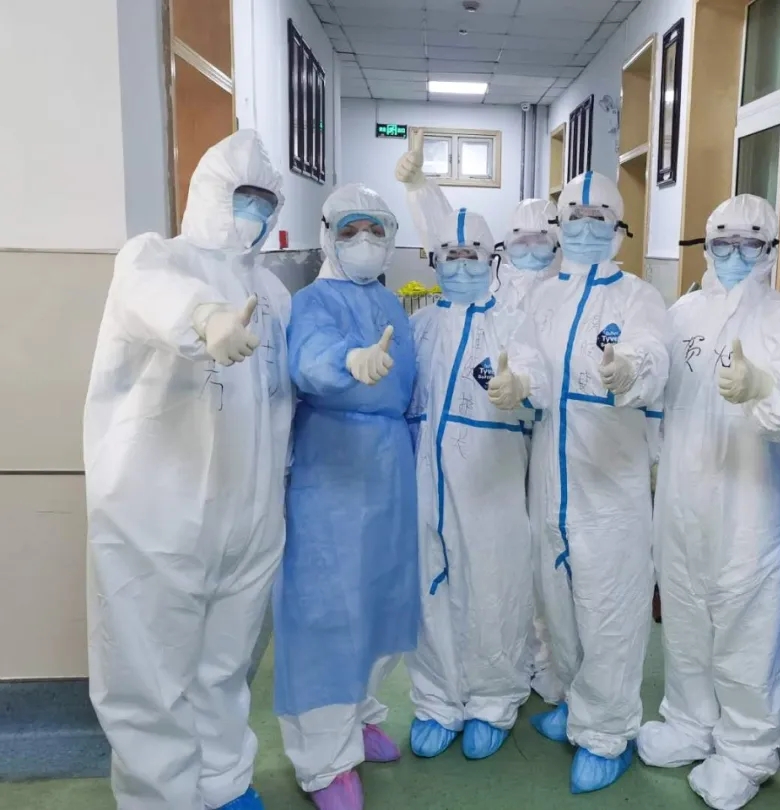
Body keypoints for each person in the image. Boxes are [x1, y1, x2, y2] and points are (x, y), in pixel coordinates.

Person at [85, 130, 292, 810]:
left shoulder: (273, 292)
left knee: (225, 665)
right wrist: (205, 317)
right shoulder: (155, 256)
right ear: (208, 191)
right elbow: (157, 296)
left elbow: (280, 400)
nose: (252, 210)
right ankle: (159, 798)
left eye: (264, 199)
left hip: (249, 516)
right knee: (150, 671)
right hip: (158, 513)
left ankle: (224, 782)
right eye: (240, 195)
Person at [639, 195, 780, 809]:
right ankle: (689, 722)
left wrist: (762, 385)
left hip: (748, 507)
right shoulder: (682, 314)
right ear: (706, 244)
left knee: (749, 630)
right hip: (681, 499)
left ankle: (746, 750)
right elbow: (655, 388)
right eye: (722, 242)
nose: (734, 254)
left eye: (750, 243)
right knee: (686, 619)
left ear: (770, 249)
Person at [488, 170, 670, 793]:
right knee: (557, 602)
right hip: (550, 476)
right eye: (576, 217)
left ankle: (606, 731)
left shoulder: (638, 297)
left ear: (618, 227)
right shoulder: (544, 297)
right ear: (560, 225)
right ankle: (573, 700)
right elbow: (527, 357)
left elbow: (653, 351)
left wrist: (630, 371)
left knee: (609, 606)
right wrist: (518, 383)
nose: (587, 228)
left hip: (609, 481)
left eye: (599, 218)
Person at [395, 149, 563, 704]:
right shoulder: (421, 325)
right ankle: (436, 698)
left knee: (494, 585)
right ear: (435, 261)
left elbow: (537, 374)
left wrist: (523, 387)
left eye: (473, 256)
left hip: (491, 483)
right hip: (426, 483)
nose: (462, 266)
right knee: (431, 587)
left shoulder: (512, 322)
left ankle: (493, 699)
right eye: (451, 256)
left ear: (493, 259)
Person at [272, 184, 421, 810]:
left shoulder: (391, 303)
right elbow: (308, 360)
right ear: (328, 235)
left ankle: (359, 713)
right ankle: (325, 762)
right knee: (328, 614)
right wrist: (348, 361)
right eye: (351, 229)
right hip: (332, 467)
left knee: (381, 601)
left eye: (376, 230)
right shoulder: (312, 302)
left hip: (389, 467)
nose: (364, 241)